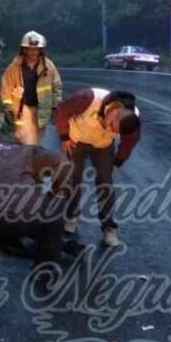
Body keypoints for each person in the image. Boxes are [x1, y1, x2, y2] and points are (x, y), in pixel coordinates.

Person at [0, 138, 76, 289]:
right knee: (54, 215)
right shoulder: (29, 151)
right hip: (12, 211)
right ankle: (44, 271)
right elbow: (62, 163)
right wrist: (59, 192)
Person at [54, 88, 141, 247]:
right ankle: (71, 217)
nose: (110, 130)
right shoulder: (88, 98)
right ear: (114, 114)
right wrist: (64, 136)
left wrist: (118, 162)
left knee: (105, 182)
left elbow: (129, 143)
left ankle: (108, 227)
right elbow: (62, 110)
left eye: (115, 132)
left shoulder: (132, 119)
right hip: (75, 140)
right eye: (112, 126)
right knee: (73, 178)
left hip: (103, 146)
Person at [0, 31, 62, 145]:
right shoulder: (14, 68)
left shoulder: (48, 66)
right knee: (25, 142)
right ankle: (25, 159)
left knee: (37, 143)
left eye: (37, 49)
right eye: (31, 49)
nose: (34, 52)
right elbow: (6, 89)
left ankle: (31, 160)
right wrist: (8, 108)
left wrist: (55, 106)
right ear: (24, 50)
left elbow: (56, 87)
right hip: (21, 111)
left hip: (41, 111)